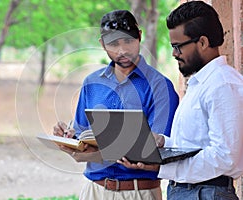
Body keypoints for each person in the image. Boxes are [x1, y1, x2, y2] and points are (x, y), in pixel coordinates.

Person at [118, 1, 243, 200]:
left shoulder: (223, 85)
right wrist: (162, 144)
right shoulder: (201, 83)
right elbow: (194, 145)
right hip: (190, 192)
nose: (174, 54)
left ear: (202, 42)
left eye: (178, 47)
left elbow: (225, 156)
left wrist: (165, 165)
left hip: (205, 193)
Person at [53, 10, 179, 200]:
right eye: (113, 44)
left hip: (138, 192)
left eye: (128, 41)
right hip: (93, 191)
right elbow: (81, 135)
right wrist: (68, 138)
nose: (122, 51)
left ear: (139, 36)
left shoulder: (161, 87)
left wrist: (91, 155)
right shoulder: (91, 83)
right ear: (102, 44)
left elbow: (157, 151)